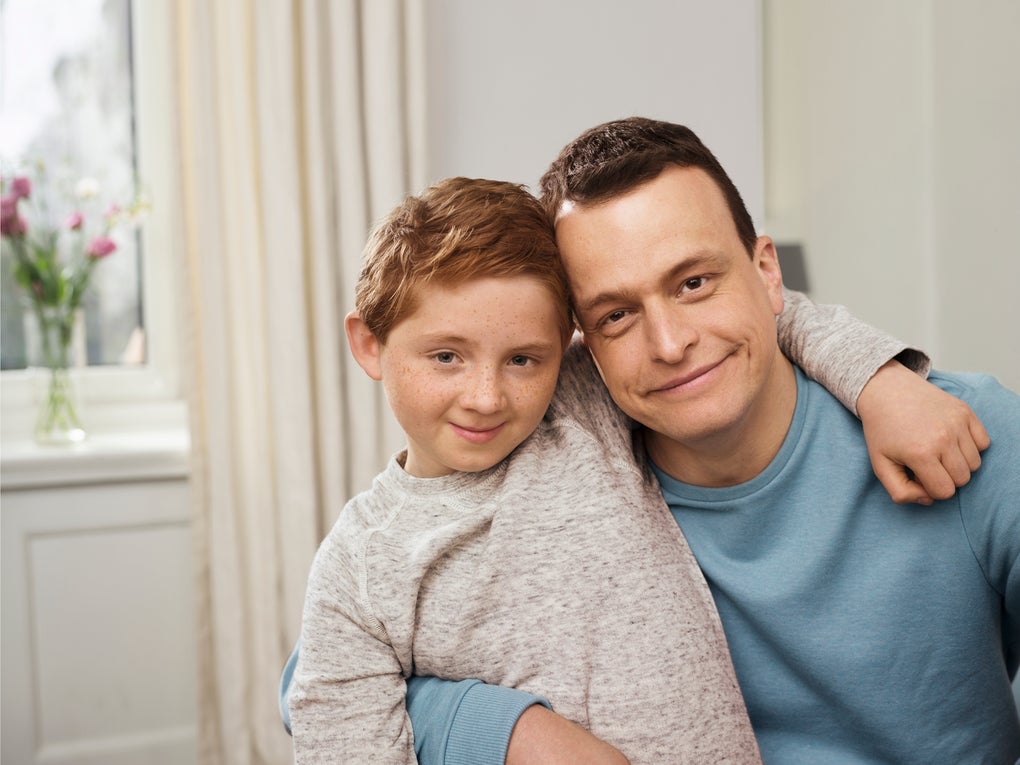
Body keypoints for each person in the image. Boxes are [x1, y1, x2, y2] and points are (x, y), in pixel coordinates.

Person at [390, 118, 1020, 764]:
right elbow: (321, 671)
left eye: (693, 283)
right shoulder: (558, 463)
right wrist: (515, 731)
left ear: (767, 272)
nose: (670, 343)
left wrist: (879, 376)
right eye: (617, 314)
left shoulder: (957, 427)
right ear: (583, 345)